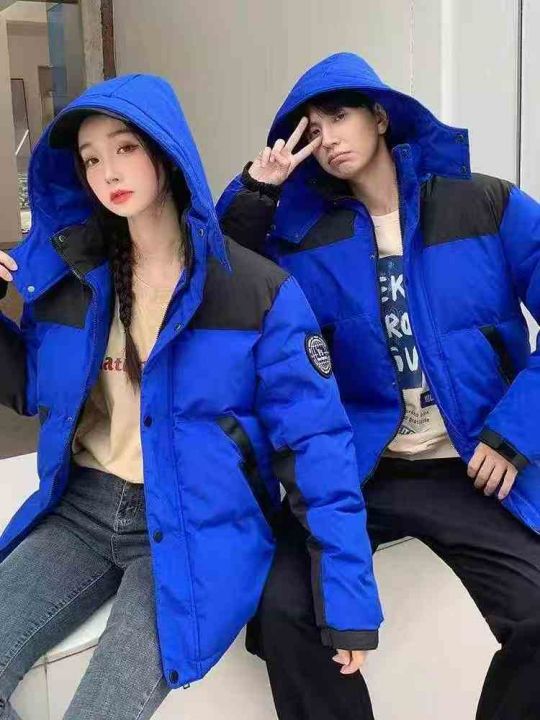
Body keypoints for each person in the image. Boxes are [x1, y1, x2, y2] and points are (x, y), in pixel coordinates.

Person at [0, 72, 382, 720]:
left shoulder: (254, 290)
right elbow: (29, 387)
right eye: (90, 159)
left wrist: (348, 599)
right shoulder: (76, 281)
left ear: (165, 151)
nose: (107, 171)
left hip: (192, 520)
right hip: (80, 510)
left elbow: (317, 443)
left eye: (125, 148)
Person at [217, 51, 540, 720]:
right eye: (312, 129)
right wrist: (258, 190)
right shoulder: (302, 239)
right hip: (361, 467)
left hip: (471, 464)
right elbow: (221, 281)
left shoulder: (484, 203)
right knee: (281, 611)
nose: (328, 138)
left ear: (380, 117)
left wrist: (515, 432)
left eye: (339, 117)